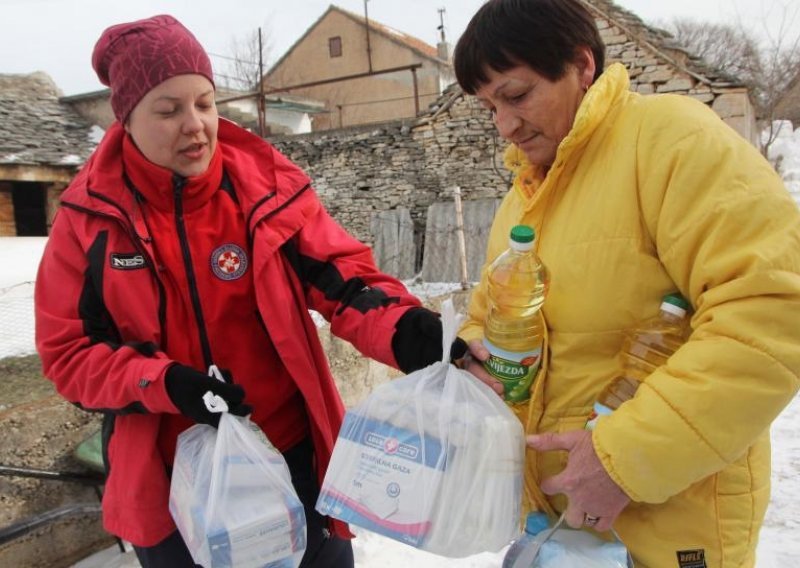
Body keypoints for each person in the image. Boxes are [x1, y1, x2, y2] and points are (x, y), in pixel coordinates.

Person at [34, 14, 460, 568]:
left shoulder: (263, 188)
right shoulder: (88, 222)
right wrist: (164, 383)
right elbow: (68, 356)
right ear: (126, 120)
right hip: (174, 484)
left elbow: (342, 279)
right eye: (168, 110)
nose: (195, 125)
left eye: (205, 103)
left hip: (292, 458)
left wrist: (404, 329)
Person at [452, 0, 800, 566]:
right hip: (561, 527)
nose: (505, 126)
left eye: (516, 96)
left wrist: (624, 459)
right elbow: (493, 312)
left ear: (582, 66)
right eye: (489, 107)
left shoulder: (670, 141)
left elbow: (771, 309)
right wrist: (476, 359)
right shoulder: (528, 193)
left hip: (666, 522)